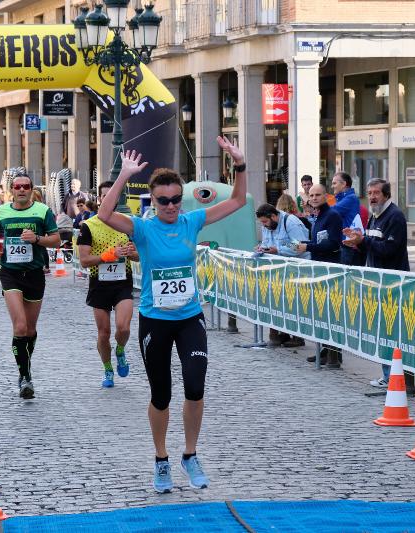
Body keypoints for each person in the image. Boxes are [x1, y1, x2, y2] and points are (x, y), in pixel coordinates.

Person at [98, 137, 247, 494]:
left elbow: (239, 201)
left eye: (176, 199)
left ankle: (190, 455)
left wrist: (239, 164)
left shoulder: (192, 221)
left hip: (189, 317)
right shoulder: (144, 227)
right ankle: (161, 460)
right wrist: (124, 175)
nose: (170, 206)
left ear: (183, 199)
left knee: (195, 385)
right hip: (155, 320)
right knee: (161, 394)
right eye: (163, 200)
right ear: (154, 200)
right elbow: (103, 214)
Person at [0, 172, 61, 400]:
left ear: (31, 189)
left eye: (25, 186)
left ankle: (25, 365)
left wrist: (37, 239)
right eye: (17, 186)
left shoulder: (42, 211)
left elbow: (56, 240)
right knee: (19, 327)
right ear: (11, 189)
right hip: (10, 273)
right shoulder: (2, 210)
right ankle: (25, 376)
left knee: (29, 330)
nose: (21, 190)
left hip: (35, 274)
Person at [342, 178, 415, 393]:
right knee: (383, 332)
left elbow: (388, 250)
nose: (372, 196)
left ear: (386, 194)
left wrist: (363, 241)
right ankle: (388, 376)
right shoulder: (374, 216)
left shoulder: (395, 216)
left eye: (376, 193)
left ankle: (398, 379)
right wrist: (357, 242)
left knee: (394, 333)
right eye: (369, 192)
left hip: (393, 284)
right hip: (377, 283)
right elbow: (371, 248)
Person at [76, 180, 139, 388]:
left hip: (123, 283)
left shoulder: (128, 223)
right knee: (103, 333)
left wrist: (132, 253)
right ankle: (107, 369)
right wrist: (107, 256)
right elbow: (84, 261)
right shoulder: (89, 225)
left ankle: (120, 350)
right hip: (99, 283)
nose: (106, 199)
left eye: (111, 195)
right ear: (99, 199)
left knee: (124, 327)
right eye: (103, 196)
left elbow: (141, 256)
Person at [295, 184, 344, 368]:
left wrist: (307, 247)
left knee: (332, 313)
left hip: (330, 271)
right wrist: (304, 243)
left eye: (318, 195)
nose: (314, 198)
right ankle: (325, 350)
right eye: (311, 195)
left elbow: (332, 243)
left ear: (326, 196)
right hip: (319, 269)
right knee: (322, 313)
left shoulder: (332, 216)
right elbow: (318, 242)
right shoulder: (318, 216)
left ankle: (334, 354)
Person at [255, 202, 309, 348]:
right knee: (280, 302)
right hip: (279, 270)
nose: (264, 226)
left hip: (298, 268)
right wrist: (262, 248)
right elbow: (267, 242)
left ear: (274, 216)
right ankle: (282, 334)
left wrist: (278, 249)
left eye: (266, 222)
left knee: (295, 302)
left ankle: (298, 336)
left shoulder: (290, 222)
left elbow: (300, 245)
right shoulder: (267, 224)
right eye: (262, 223)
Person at [330, 172, 364, 266]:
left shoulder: (351, 198)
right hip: (344, 245)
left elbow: (331, 212)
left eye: (334, 183)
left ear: (344, 184)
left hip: (348, 246)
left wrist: (312, 203)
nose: (332, 186)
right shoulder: (343, 198)